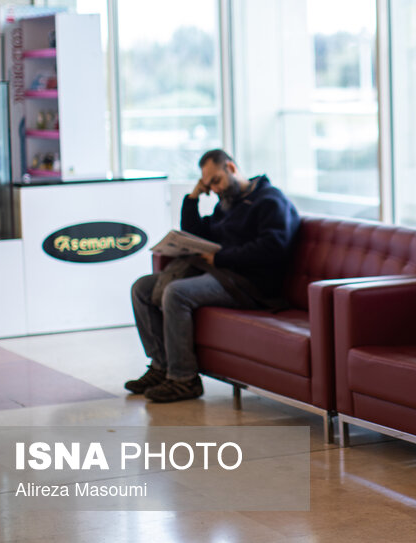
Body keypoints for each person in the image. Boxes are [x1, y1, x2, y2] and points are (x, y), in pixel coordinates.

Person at [126, 149, 300, 403]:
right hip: (222, 275)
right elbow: (197, 232)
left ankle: (183, 379)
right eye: (208, 185)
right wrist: (193, 197)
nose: (215, 189)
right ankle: (161, 366)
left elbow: (273, 249)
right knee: (141, 288)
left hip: (250, 284)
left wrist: (220, 258)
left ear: (230, 167)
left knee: (177, 293)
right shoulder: (228, 203)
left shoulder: (269, 200)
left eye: (216, 181)